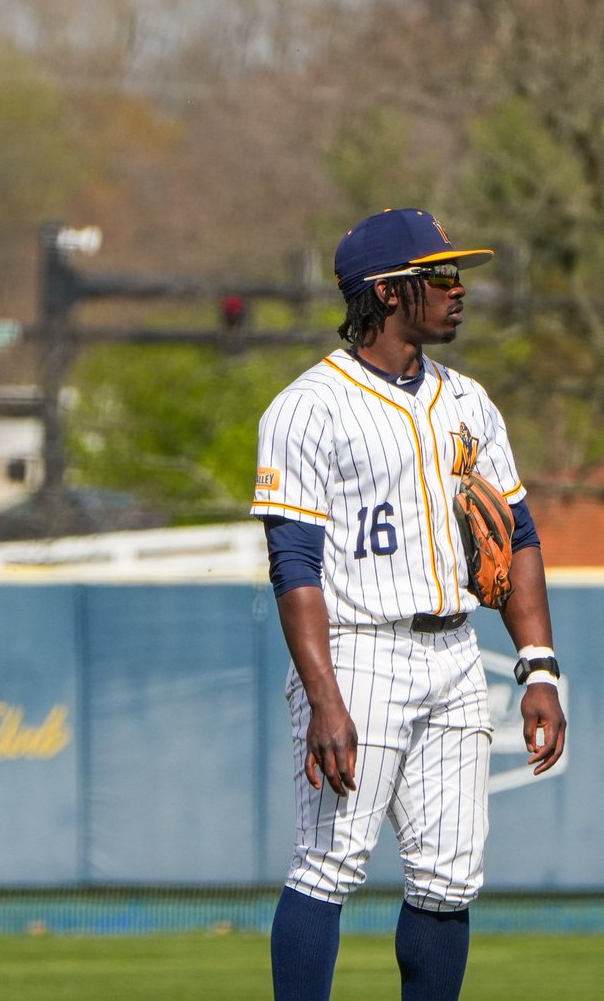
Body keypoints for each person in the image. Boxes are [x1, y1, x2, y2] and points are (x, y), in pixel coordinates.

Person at [251, 208, 567, 1000]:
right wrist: (323, 696)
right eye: (442, 277)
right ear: (391, 292)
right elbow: (293, 563)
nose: (458, 291)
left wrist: (539, 668)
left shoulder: (469, 401)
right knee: (329, 864)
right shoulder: (308, 407)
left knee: (450, 876)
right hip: (357, 650)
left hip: (456, 651)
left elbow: (518, 532)